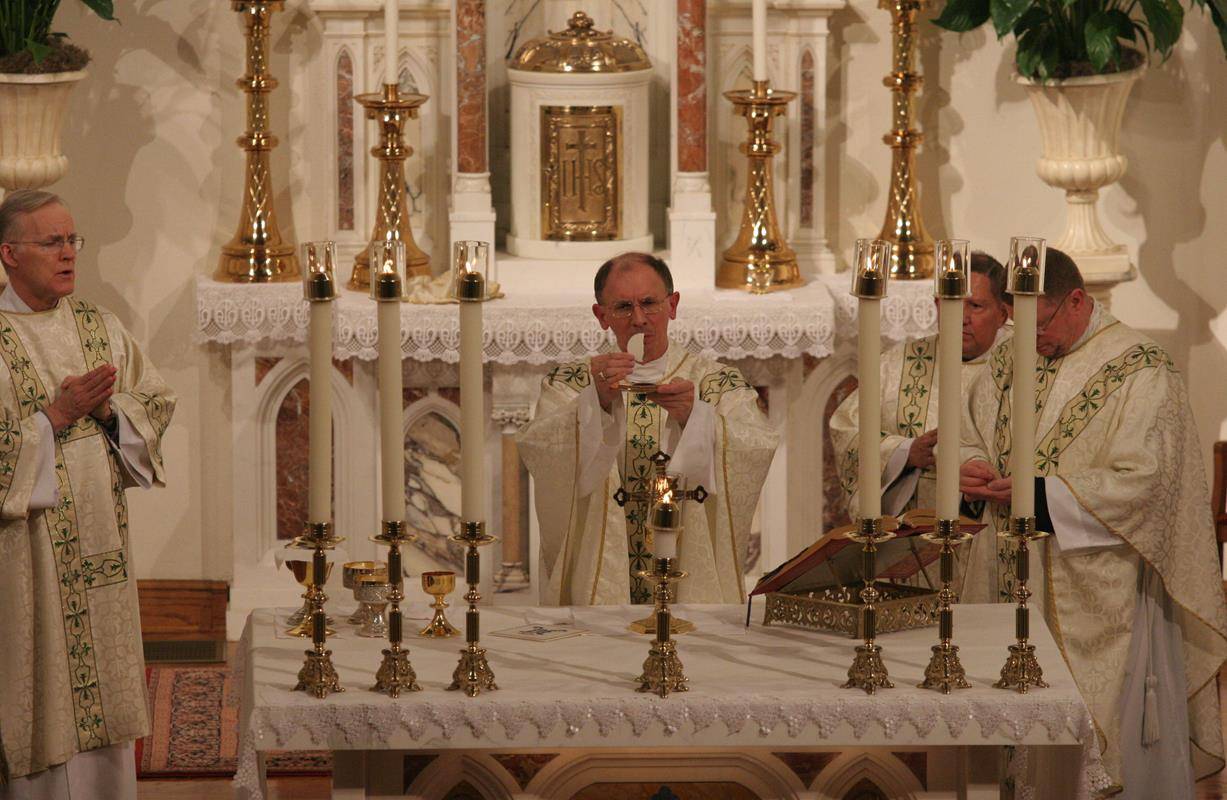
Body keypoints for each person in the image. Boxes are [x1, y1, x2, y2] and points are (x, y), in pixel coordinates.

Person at [958, 248, 1227, 797]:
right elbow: (971, 423)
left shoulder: (1142, 368)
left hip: (1104, 592)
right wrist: (969, 466)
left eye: (1043, 325)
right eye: (1021, 326)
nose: (1031, 343)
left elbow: (1150, 482)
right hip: (1009, 578)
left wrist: (1043, 494)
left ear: (1078, 300)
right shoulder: (1014, 357)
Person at [0, 190, 175, 800]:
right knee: (42, 697)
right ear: (9, 254)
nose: (69, 253)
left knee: (106, 705)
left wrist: (107, 408)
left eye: (73, 240)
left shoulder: (100, 326)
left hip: (102, 552)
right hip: (29, 564)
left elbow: (155, 399)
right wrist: (52, 416)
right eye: (52, 242)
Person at [517, 253, 778, 605]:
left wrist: (697, 419)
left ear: (672, 305)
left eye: (650, 303)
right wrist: (596, 404)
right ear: (601, 316)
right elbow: (540, 447)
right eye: (623, 307)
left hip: (688, 585)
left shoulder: (715, 382)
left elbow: (756, 447)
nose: (639, 319)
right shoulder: (575, 381)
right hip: (602, 588)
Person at [830, 252, 1010, 521]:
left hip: (995, 529)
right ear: (936, 304)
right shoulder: (898, 363)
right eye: (951, 302)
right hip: (918, 535)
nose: (961, 317)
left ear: (1002, 314)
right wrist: (905, 452)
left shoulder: (1023, 362)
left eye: (975, 305)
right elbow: (846, 429)